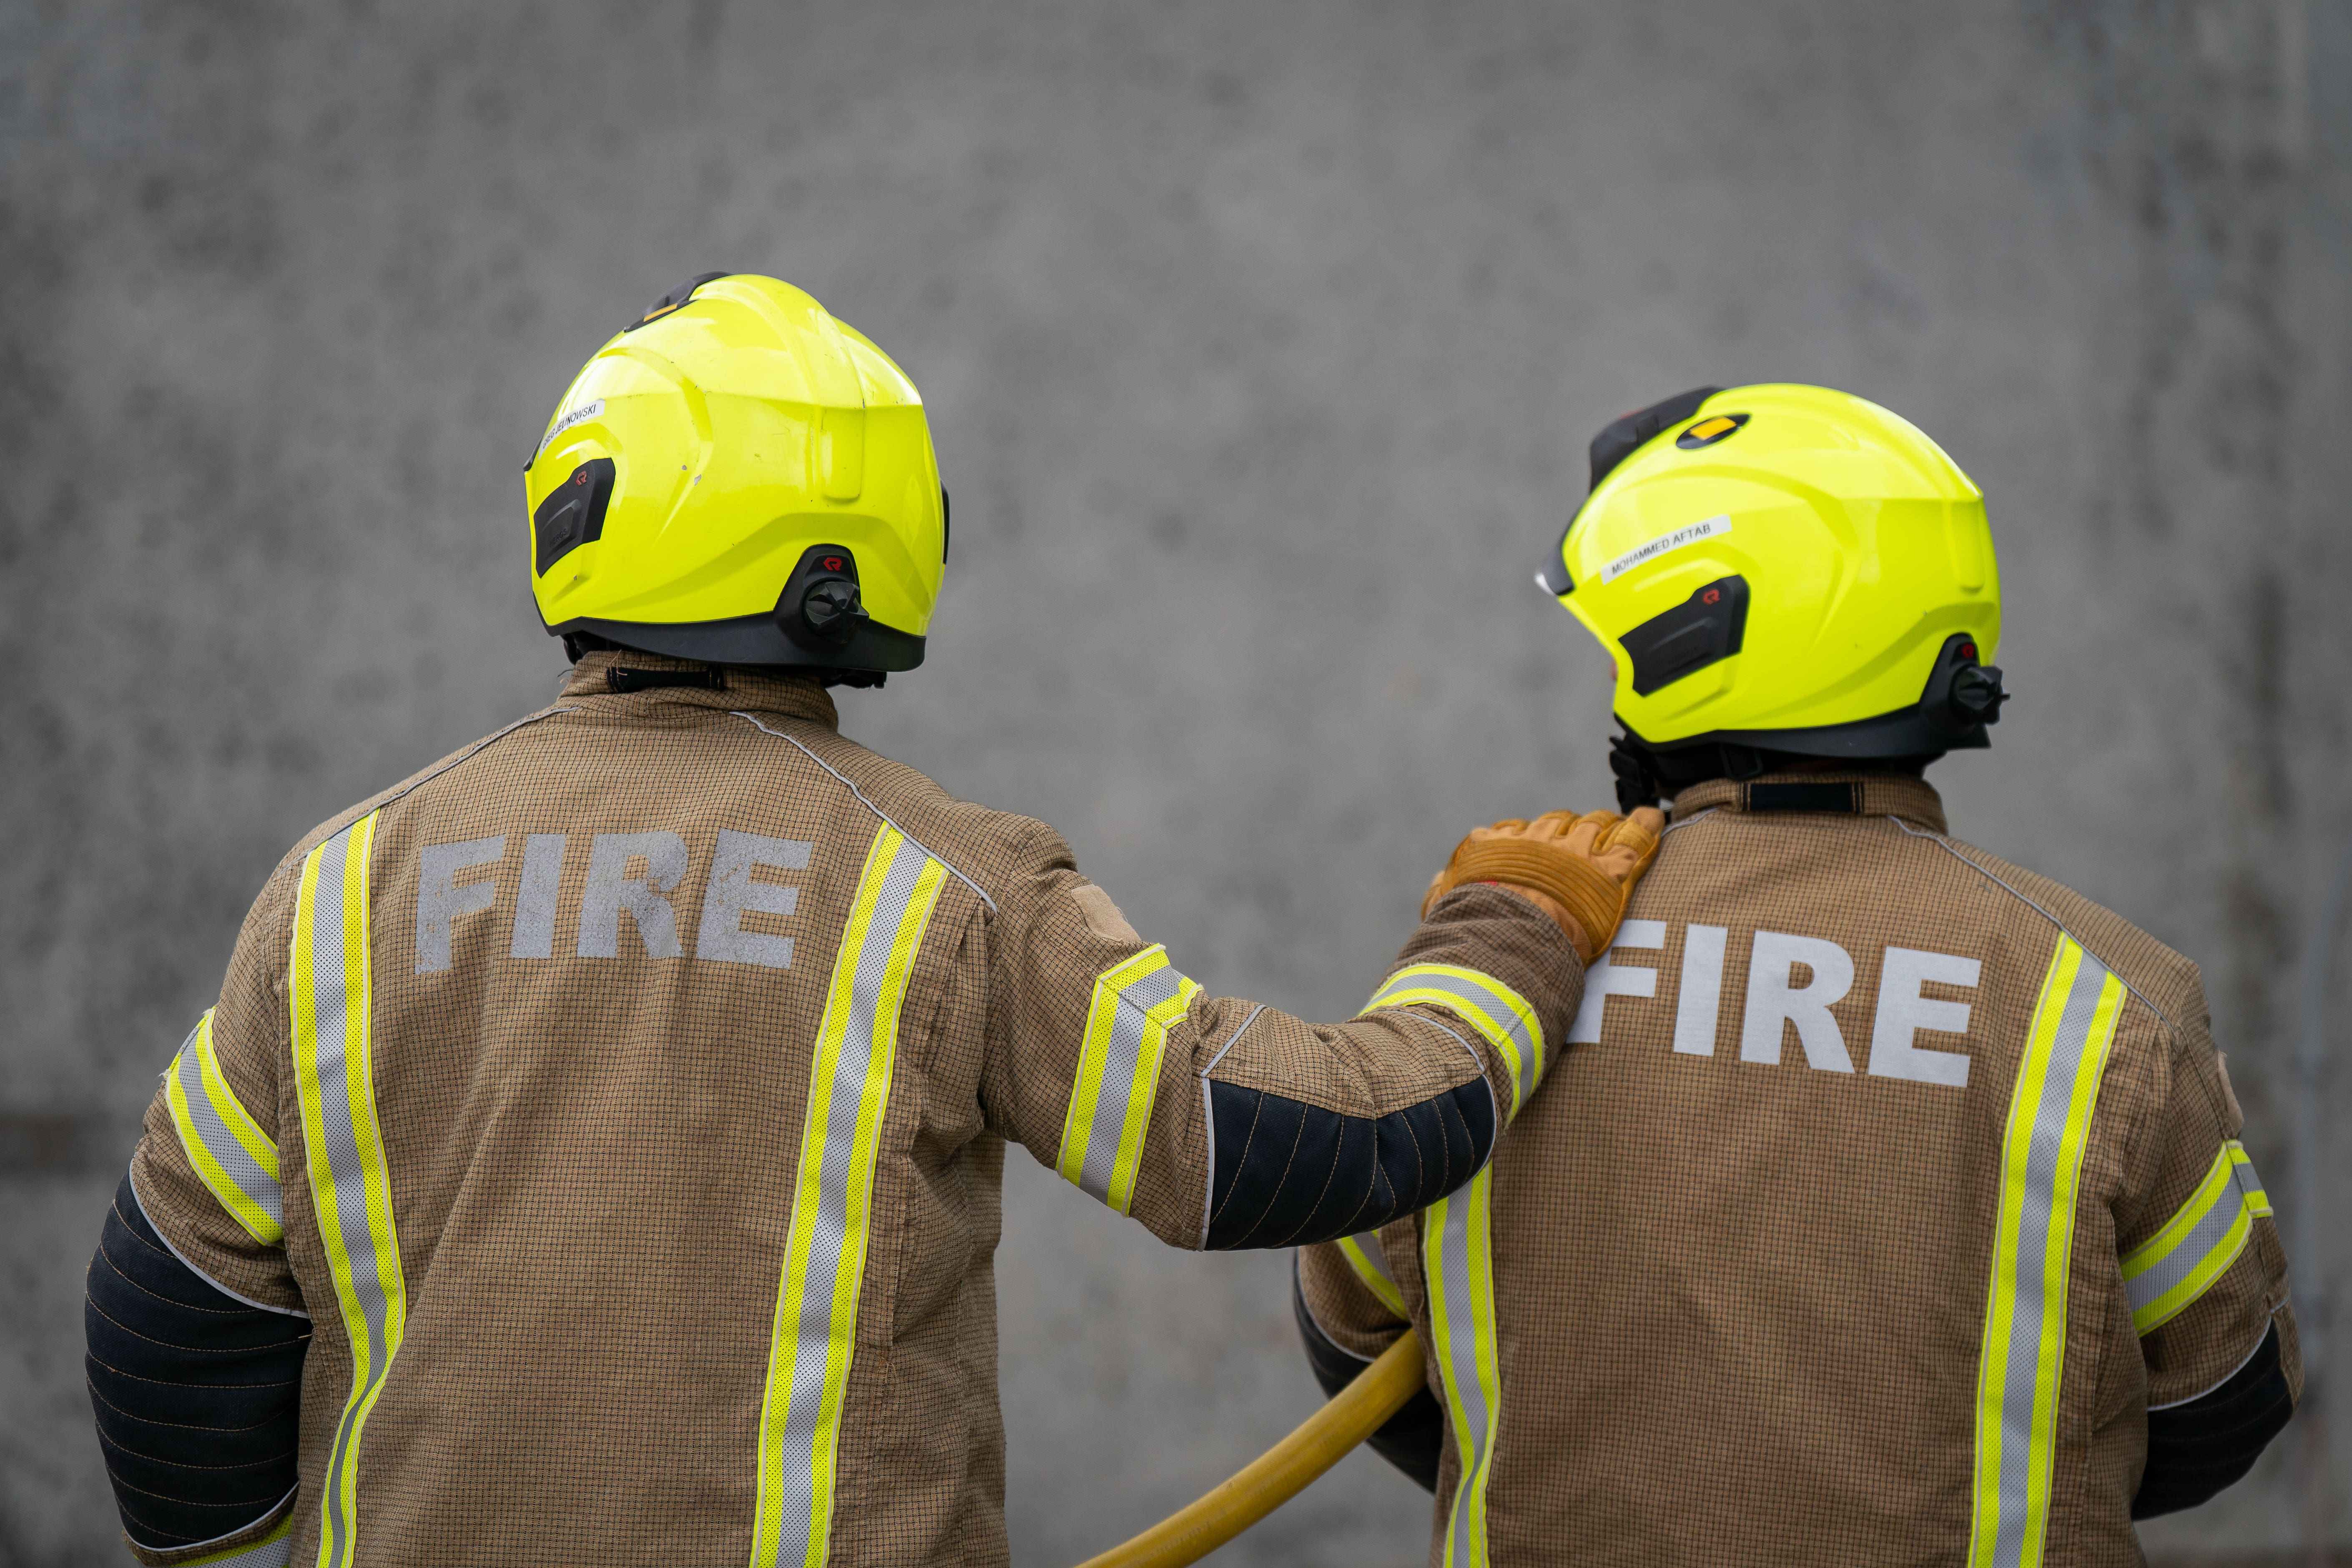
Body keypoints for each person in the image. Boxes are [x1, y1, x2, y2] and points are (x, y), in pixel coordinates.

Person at [80, 272, 1665, 1568]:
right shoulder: (938, 883)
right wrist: (1510, 931)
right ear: (867, 545)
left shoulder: (341, 886)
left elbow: (174, 1312)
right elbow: (1260, 1138)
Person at [1295, 384, 2299, 1567]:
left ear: (1692, 635)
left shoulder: (1508, 958)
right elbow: (2218, 1402)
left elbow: (1358, 1345)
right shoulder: (2107, 996)